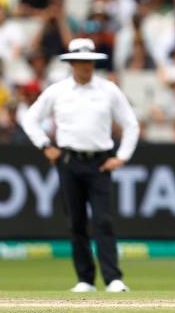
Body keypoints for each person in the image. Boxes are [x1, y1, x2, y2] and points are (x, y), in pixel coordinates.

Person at [22, 38, 139, 293]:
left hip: (100, 163)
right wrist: (45, 145)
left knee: (103, 220)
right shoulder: (57, 91)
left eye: (89, 61)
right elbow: (30, 119)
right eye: (81, 61)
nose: (86, 66)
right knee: (76, 222)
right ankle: (85, 280)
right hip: (68, 161)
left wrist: (122, 156)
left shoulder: (108, 89)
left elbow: (131, 123)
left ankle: (113, 279)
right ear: (71, 63)